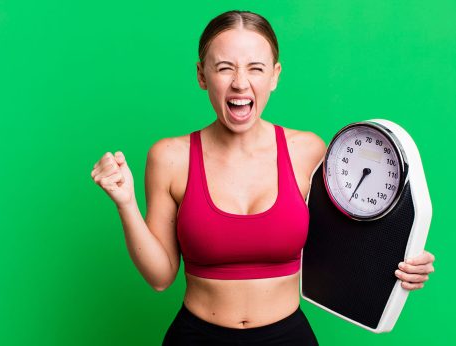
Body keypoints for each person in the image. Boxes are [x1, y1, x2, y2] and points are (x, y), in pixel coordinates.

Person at [90, 10, 436, 346]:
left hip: (289, 337)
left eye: (256, 68)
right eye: (224, 68)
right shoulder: (169, 157)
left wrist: (402, 263)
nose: (240, 83)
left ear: (275, 75)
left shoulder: (308, 151)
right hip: (195, 337)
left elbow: (350, 249)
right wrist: (126, 204)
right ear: (201, 75)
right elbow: (161, 277)